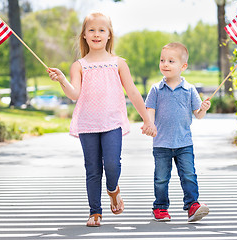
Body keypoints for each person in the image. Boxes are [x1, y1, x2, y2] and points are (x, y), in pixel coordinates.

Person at [47, 12, 157, 227]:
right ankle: (95, 212)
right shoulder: (78, 65)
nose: (96, 34)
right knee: (92, 168)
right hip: (88, 124)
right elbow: (74, 94)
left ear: (109, 35)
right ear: (84, 36)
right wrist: (61, 79)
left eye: (101, 30)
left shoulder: (118, 63)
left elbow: (133, 92)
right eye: (91, 30)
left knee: (113, 165)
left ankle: (113, 190)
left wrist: (147, 120)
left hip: (112, 122)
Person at [145, 42, 211, 222]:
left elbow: (198, 114)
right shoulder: (156, 89)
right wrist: (149, 124)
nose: (165, 64)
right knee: (161, 178)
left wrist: (203, 108)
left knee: (188, 175)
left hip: (184, 142)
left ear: (183, 66)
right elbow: (149, 110)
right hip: (161, 143)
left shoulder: (189, 90)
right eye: (162, 60)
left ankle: (192, 205)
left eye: (171, 61)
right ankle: (160, 207)